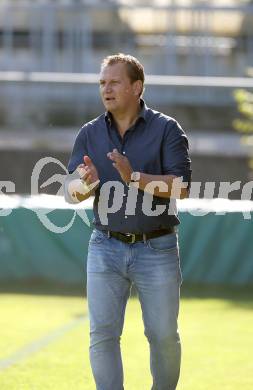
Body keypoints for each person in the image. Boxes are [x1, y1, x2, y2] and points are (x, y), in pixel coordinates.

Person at [64, 53, 191, 390]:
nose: (106, 89)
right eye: (102, 83)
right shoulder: (89, 133)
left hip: (158, 247)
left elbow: (181, 187)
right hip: (104, 246)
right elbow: (71, 193)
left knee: (163, 336)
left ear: (136, 87)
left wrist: (133, 176)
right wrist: (85, 184)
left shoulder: (167, 129)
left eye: (114, 82)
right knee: (103, 335)